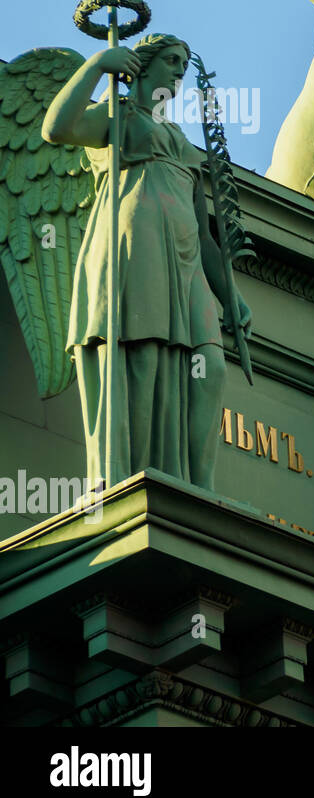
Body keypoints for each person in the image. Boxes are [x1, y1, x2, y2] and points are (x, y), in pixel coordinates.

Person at [42, 33, 250, 491]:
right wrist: (98, 64)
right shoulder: (117, 114)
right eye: (172, 60)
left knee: (210, 368)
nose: (179, 71)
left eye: (184, 63)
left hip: (188, 261)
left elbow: (205, 232)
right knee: (143, 359)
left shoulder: (181, 140)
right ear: (143, 64)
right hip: (137, 252)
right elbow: (55, 128)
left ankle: (197, 488)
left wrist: (229, 295)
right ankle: (133, 478)